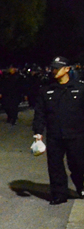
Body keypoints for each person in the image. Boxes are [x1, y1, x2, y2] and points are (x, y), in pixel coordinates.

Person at [32, 57, 84, 205]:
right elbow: (40, 113)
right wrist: (38, 133)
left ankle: (81, 185)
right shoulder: (47, 90)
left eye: (57, 68)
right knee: (55, 166)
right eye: (53, 68)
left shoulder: (80, 88)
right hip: (55, 135)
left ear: (67, 69)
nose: (54, 71)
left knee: (78, 164)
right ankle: (59, 194)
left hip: (76, 135)